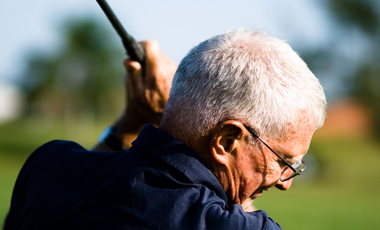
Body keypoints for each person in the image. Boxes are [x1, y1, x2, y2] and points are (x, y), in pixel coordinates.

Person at [4, 29, 326, 229]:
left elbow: (91, 187)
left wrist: (132, 123)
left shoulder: (46, 166)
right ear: (226, 141)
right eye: (283, 162)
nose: (285, 182)